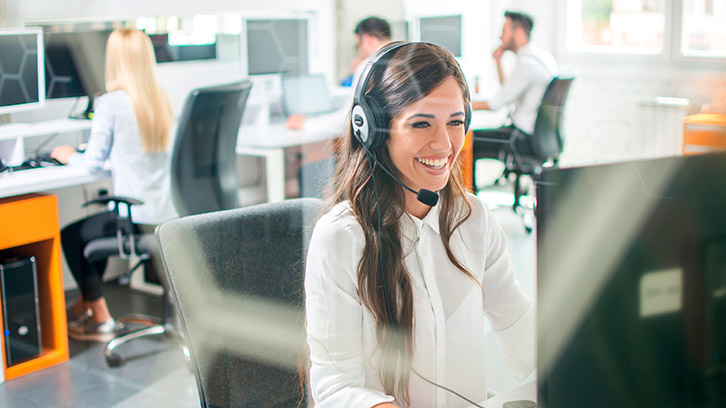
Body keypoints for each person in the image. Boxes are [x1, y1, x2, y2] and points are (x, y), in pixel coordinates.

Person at [304, 42, 535, 407]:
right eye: (421, 123)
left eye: (455, 122)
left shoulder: (472, 218)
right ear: (374, 130)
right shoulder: (342, 237)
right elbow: (336, 388)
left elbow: (519, 324)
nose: (444, 144)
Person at [51, 28, 178, 342]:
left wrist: (68, 157)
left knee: (72, 236)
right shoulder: (160, 99)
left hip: (133, 219)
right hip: (165, 216)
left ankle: (101, 318)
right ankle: (86, 302)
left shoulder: (111, 104)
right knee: (97, 229)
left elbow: (93, 164)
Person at [471, 11, 558, 161]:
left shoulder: (527, 65)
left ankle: (468, 186)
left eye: (504, 31)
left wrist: (459, 105)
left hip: (521, 139)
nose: (500, 37)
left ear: (518, 33)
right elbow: (509, 93)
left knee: (469, 140)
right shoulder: (542, 57)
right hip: (539, 137)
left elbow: (494, 104)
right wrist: (498, 62)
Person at [286, 16, 391, 132]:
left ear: (366, 39)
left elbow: (349, 118)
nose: (359, 51)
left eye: (357, 46)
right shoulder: (405, 57)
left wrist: (308, 124)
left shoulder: (368, 65)